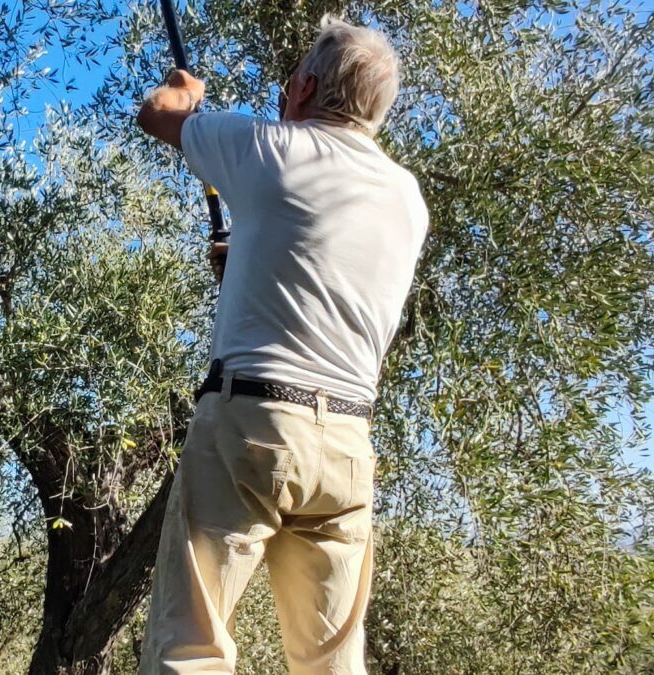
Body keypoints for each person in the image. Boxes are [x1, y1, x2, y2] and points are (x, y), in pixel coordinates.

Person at [134, 15, 428, 675]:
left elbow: (157, 116)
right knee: (331, 664)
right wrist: (245, 263)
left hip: (253, 425)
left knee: (191, 651)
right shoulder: (407, 201)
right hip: (348, 447)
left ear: (302, 87)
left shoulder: (269, 149)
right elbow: (325, 274)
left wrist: (185, 90)